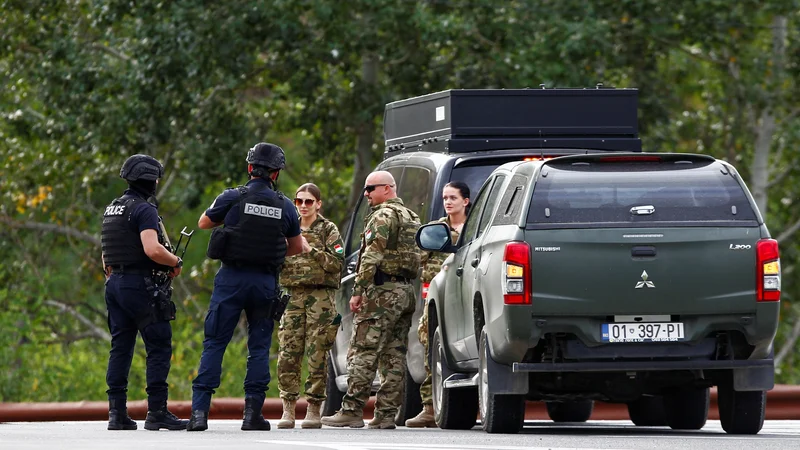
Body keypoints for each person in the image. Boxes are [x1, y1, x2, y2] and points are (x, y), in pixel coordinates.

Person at [186, 142, 303, 432]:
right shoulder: (285, 205)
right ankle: (252, 415)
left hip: (231, 279)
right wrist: (267, 251)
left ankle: (199, 414)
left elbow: (203, 223)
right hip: (264, 282)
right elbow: (297, 247)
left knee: (214, 343)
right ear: (275, 174)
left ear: (250, 168)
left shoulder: (232, 197)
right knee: (259, 348)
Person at [321, 171, 421, 429]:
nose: (366, 194)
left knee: (364, 349)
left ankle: (352, 410)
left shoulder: (382, 216)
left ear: (388, 188)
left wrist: (358, 290)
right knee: (395, 353)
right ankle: (386, 415)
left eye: (370, 189)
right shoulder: (411, 217)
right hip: (405, 291)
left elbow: (371, 257)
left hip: (382, 292)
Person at [101, 154, 188, 431]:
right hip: (140, 285)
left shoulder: (112, 208)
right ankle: (157, 411)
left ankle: (116, 413)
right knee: (159, 345)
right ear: (150, 180)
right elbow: (152, 249)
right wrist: (175, 262)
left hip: (114, 284)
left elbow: (106, 255)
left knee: (121, 347)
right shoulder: (143, 209)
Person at [276, 183, 345, 429]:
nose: (303, 206)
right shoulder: (286, 227)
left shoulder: (327, 229)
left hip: (320, 297)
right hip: (293, 296)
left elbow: (337, 263)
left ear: (318, 204)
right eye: (299, 201)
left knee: (317, 354)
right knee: (288, 353)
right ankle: (288, 408)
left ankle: (314, 408)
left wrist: (311, 249)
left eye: (308, 201)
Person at [405, 182, 470, 428]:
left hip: (467, 297)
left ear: (466, 201)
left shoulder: (476, 228)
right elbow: (421, 259)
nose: (448, 202)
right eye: (445, 197)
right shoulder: (435, 230)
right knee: (430, 349)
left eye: (453, 197)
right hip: (437, 299)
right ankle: (430, 407)